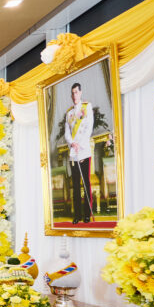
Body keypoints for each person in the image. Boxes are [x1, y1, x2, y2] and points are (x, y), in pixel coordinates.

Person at [63, 82, 95, 224]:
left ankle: (87, 213)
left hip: (83, 151)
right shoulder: (69, 112)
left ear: (80, 93)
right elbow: (67, 133)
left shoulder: (87, 107)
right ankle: (77, 215)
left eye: (76, 92)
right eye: (72, 93)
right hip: (73, 153)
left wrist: (79, 145)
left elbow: (89, 128)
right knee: (75, 185)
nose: (74, 95)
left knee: (86, 183)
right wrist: (72, 143)